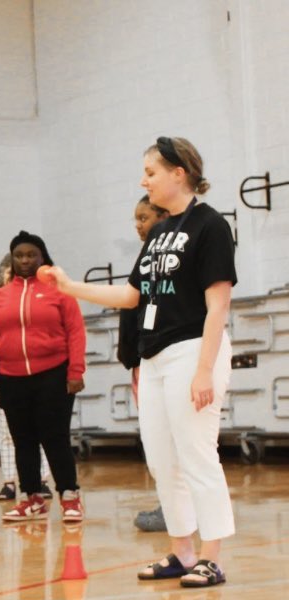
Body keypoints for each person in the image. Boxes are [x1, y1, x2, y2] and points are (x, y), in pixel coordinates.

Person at [41, 137, 236, 588]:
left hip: (193, 350)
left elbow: (218, 306)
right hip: (155, 358)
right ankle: (182, 552)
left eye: (150, 172)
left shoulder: (210, 226)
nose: (142, 180)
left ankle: (213, 556)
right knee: (162, 460)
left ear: (178, 173)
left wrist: (205, 369)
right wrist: (70, 287)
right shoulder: (161, 231)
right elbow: (132, 295)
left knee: (196, 454)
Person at [0, 231, 86, 523]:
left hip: (54, 375)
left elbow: (75, 331)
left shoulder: (59, 292)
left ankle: (70, 496)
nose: (25, 260)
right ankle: (32, 499)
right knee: (22, 441)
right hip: (11, 378)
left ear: (42, 258)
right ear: (12, 259)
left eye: (31, 255)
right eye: (19, 255)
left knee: (55, 438)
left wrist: (76, 371)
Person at [119, 196, 170, 532]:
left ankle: (174, 508)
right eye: (135, 219)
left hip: (162, 358)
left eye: (144, 217)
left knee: (169, 438)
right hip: (143, 359)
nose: (138, 225)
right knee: (156, 437)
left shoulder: (166, 259)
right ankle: (171, 504)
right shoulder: (146, 257)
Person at [0, 253, 51, 502]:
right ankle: (9, 482)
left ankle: (42, 480)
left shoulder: (39, 300)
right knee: (7, 431)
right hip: (4, 373)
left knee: (40, 430)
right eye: (7, 274)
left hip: (38, 373)